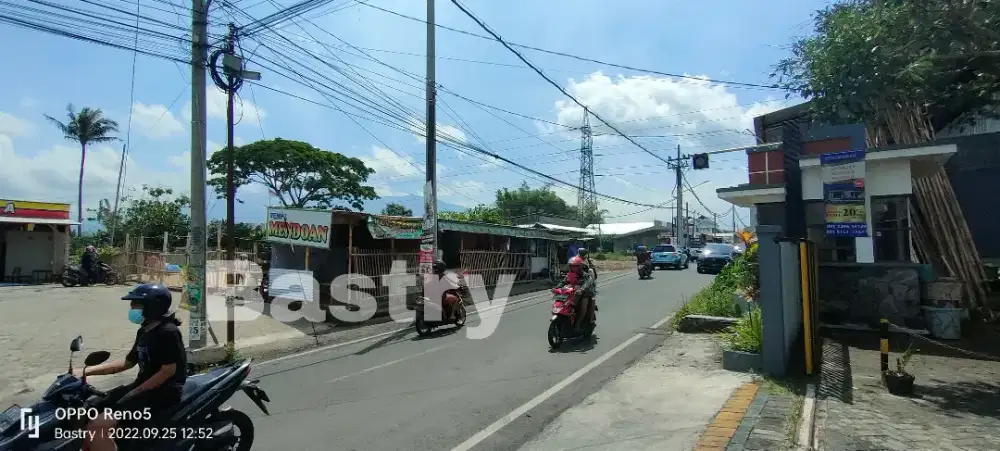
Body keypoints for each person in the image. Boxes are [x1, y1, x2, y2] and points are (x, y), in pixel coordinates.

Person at [79, 284, 187, 451]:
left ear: (152, 307)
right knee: (90, 409)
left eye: (136, 305)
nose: (131, 308)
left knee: (97, 427)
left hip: (164, 392)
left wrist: (134, 392)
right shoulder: (144, 331)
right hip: (143, 388)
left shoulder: (167, 332)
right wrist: (85, 372)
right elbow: (128, 362)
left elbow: (168, 371)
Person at [562, 256, 596, 331]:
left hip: (585, 293)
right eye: (571, 266)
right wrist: (557, 288)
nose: (573, 268)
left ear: (579, 267)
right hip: (572, 293)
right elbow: (563, 282)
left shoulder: (586, 275)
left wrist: (582, 289)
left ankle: (578, 323)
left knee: (583, 308)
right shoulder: (569, 274)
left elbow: (587, 283)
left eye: (575, 266)